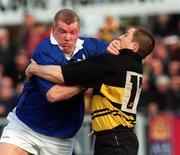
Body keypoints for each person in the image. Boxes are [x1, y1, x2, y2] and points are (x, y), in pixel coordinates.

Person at [0, 9, 120, 155]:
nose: (68, 37)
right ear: (53, 30)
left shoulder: (90, 46)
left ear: (79, 31)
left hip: (61, 137)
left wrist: (118, 46)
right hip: (26, 127)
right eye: (62, 32)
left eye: (73, 32)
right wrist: (89, 80)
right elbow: (54, 95)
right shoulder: (45, 50)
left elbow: (117, 55)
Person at [25, 26, 155, 155]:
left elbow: (62, 75)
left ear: (134, 46)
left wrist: (34, 69)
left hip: (114, 141)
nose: (120, 36)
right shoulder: (135, 66)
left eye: (126, 35)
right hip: (120, 138)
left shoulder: (113, 63)